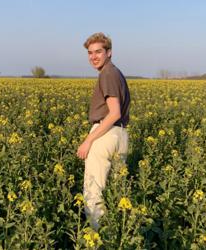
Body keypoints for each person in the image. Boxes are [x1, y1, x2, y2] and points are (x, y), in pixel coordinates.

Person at [77, 32, 130, 230]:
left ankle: (98, 236)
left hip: (105, 134)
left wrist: (89, 140)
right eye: (90, 53)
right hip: (121, 135)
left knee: (94, 192)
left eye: (98, 51)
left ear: (109, 53)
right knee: (117, 191)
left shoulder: (107, 74)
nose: (93, 56)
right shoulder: (116, 72)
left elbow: (114, 112)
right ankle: (117, 233)